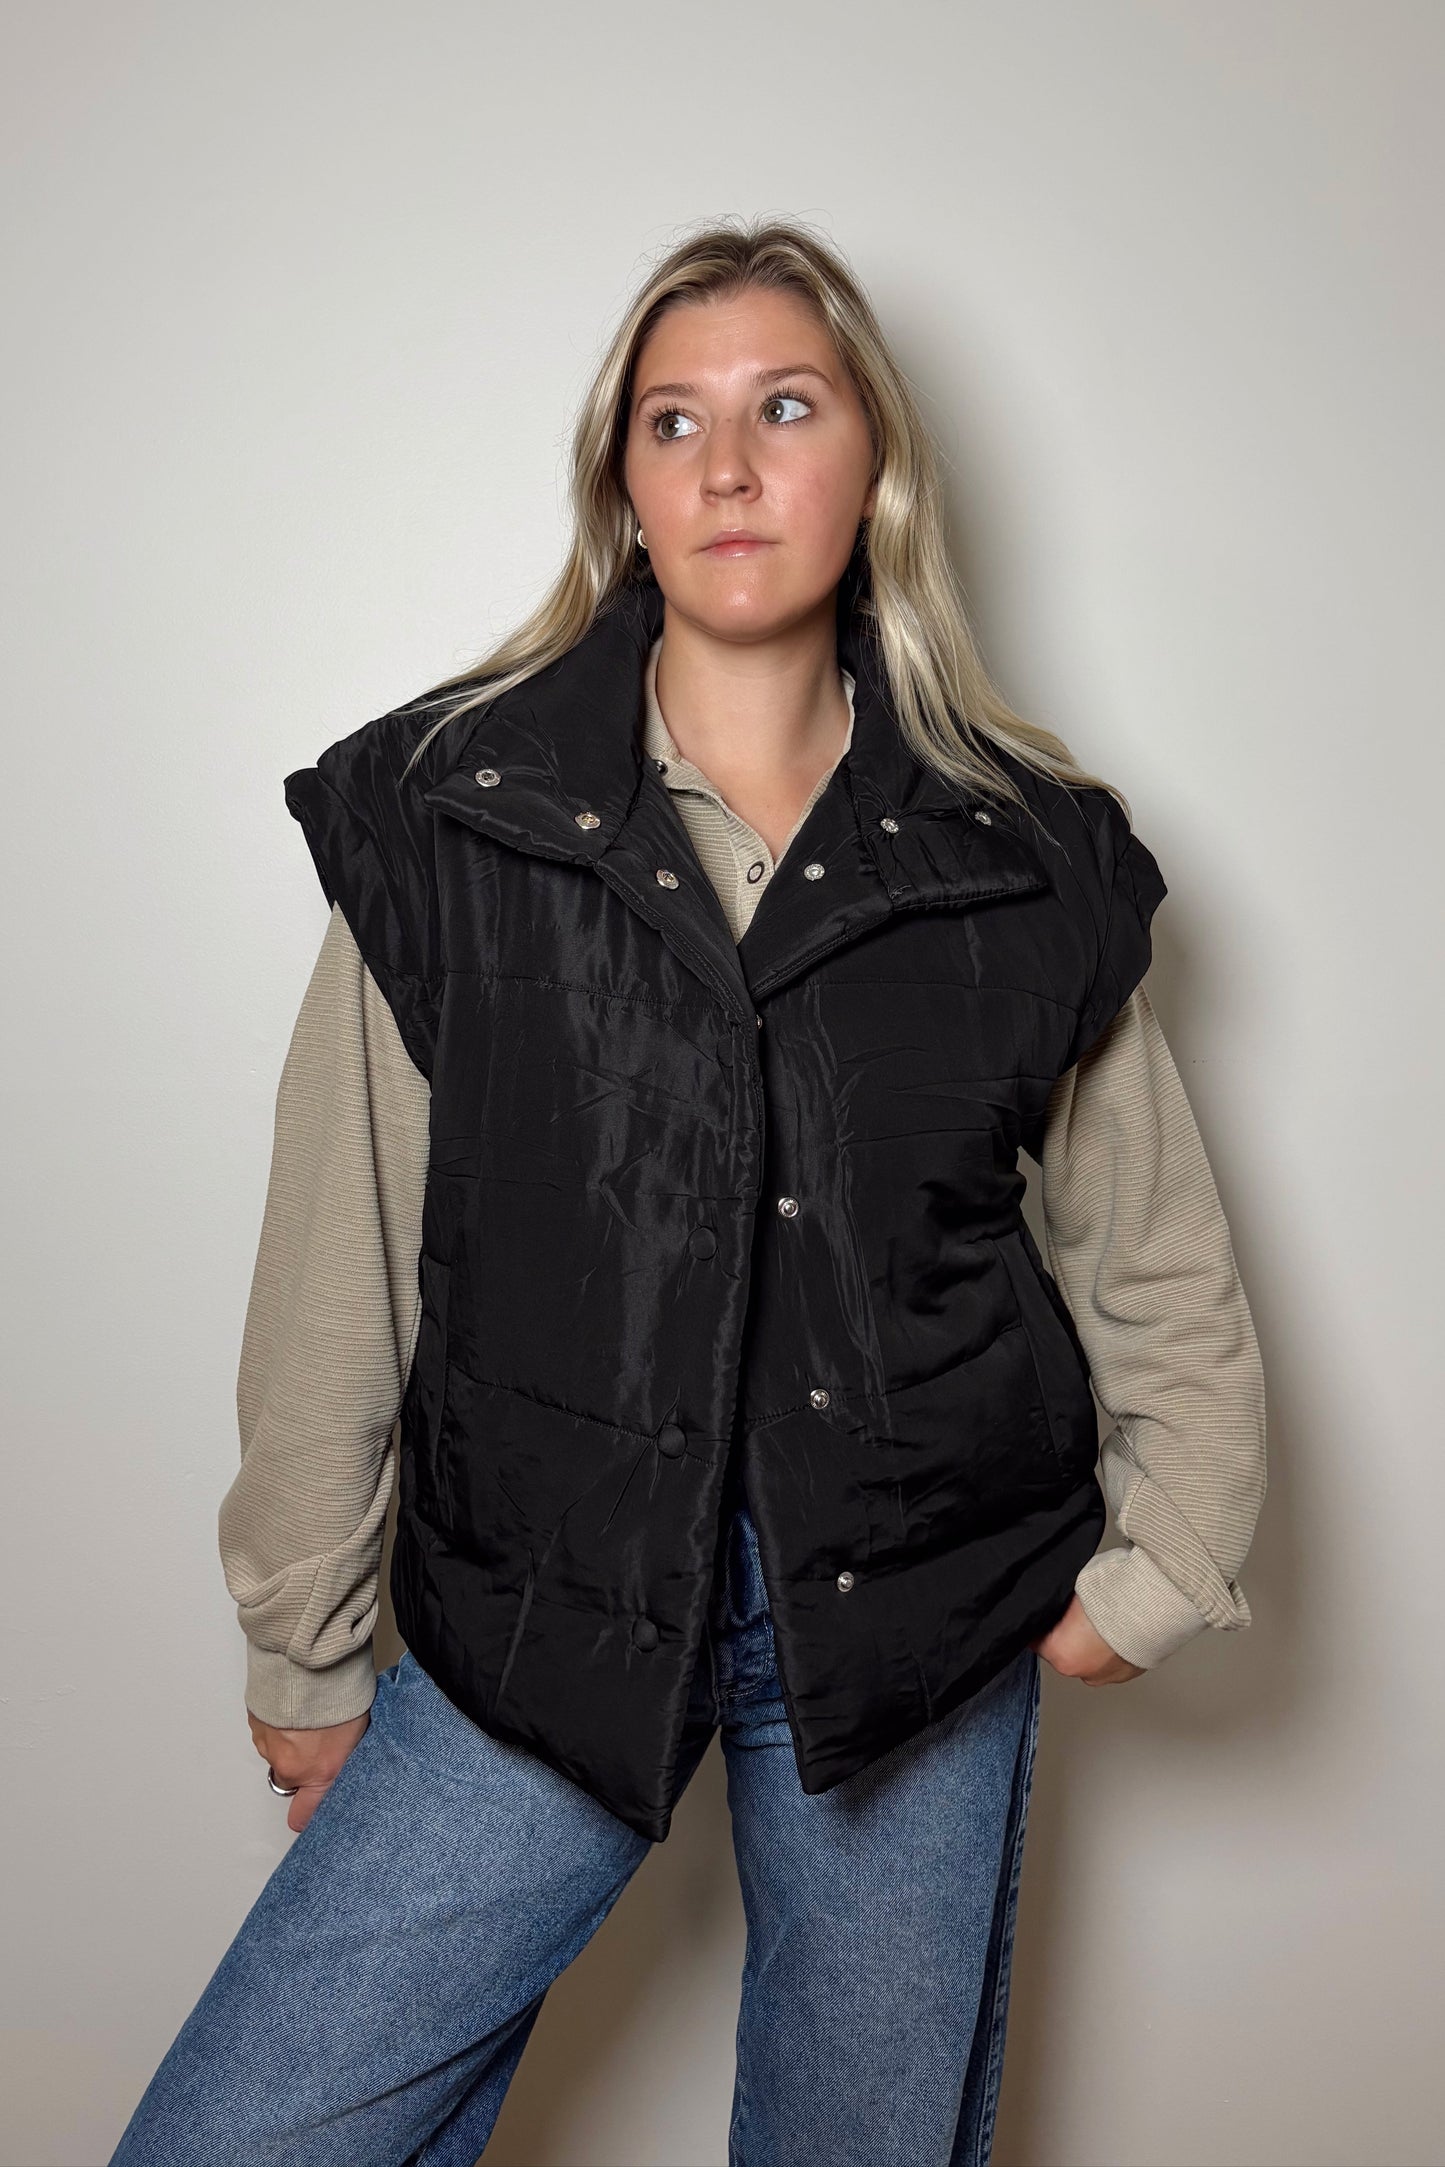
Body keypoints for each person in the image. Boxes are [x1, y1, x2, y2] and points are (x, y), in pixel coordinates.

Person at [110, 217, 1266, 2167]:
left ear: (870, 465)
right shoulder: (452, 822)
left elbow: (1150, 1248)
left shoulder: (1014, 859)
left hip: (916, 1614)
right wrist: (305, 1644)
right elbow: (338, 1265)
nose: (731, 464)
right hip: (537, 1602)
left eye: (784, 406)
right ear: (626, 494)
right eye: (676, 420)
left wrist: (1152, 1565)